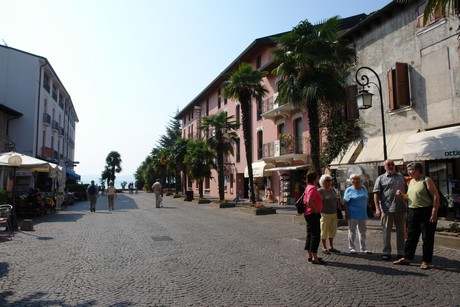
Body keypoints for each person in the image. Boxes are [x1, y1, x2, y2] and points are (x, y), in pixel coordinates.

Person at [394, 162, 439, 270]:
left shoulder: (426, 180)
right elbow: (410, 197)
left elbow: (436, 197)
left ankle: (426, 261)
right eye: (408, 170)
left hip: (426, 211)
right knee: (410, 236)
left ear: (418, 170)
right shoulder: (411, 182)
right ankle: (407, 257)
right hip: (412, 211)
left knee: (427, 237)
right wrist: (402, 196)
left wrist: (434, 213)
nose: (409, 172)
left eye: (411, 170)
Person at [373, 159, 408, 260]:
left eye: (392, 164)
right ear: (385, 167)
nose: (391, 166)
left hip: (401, 208)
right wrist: (377, 208)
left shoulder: (401, 177)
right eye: (388, 165)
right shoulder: (380, 178)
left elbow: (406, 191)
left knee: (401, 231)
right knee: (386, 231)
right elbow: (376, 194)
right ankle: (386, 251)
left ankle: (401, 252)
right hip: (387, 208)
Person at [343, 173, 371, 254]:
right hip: (352, 213)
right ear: (351, 181)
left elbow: (366, 199)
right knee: (352, 231)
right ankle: (352, 248)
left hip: (362, 213)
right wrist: (346, 213)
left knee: (363, 231)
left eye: (358, 179)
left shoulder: (364, 188)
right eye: (354, 179)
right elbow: (345, 202)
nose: (356, 180)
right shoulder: (349, 190)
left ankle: (363, 248)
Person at [303, 171, 326, 265]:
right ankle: (315, 257)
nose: (318, 178)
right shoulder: (312, 188)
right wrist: (316, 210)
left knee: (310, 234)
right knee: (315, 235)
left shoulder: (308, 187)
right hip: (312, 214)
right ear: (314, 179)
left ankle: (310, 255)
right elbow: (309, 200)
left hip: (308, 214)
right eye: (317, 177)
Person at [318, 174, 341, 254]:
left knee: (332, 230)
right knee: (324, 230)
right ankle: (324, 247)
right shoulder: (320, 191)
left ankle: (331, 246)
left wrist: (338, 206)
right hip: (324, 213)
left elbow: (336, 199)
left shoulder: (333, 190)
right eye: (327, 180)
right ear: (322, 182)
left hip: (333, 213)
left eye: (330, 180)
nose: (329, 182)